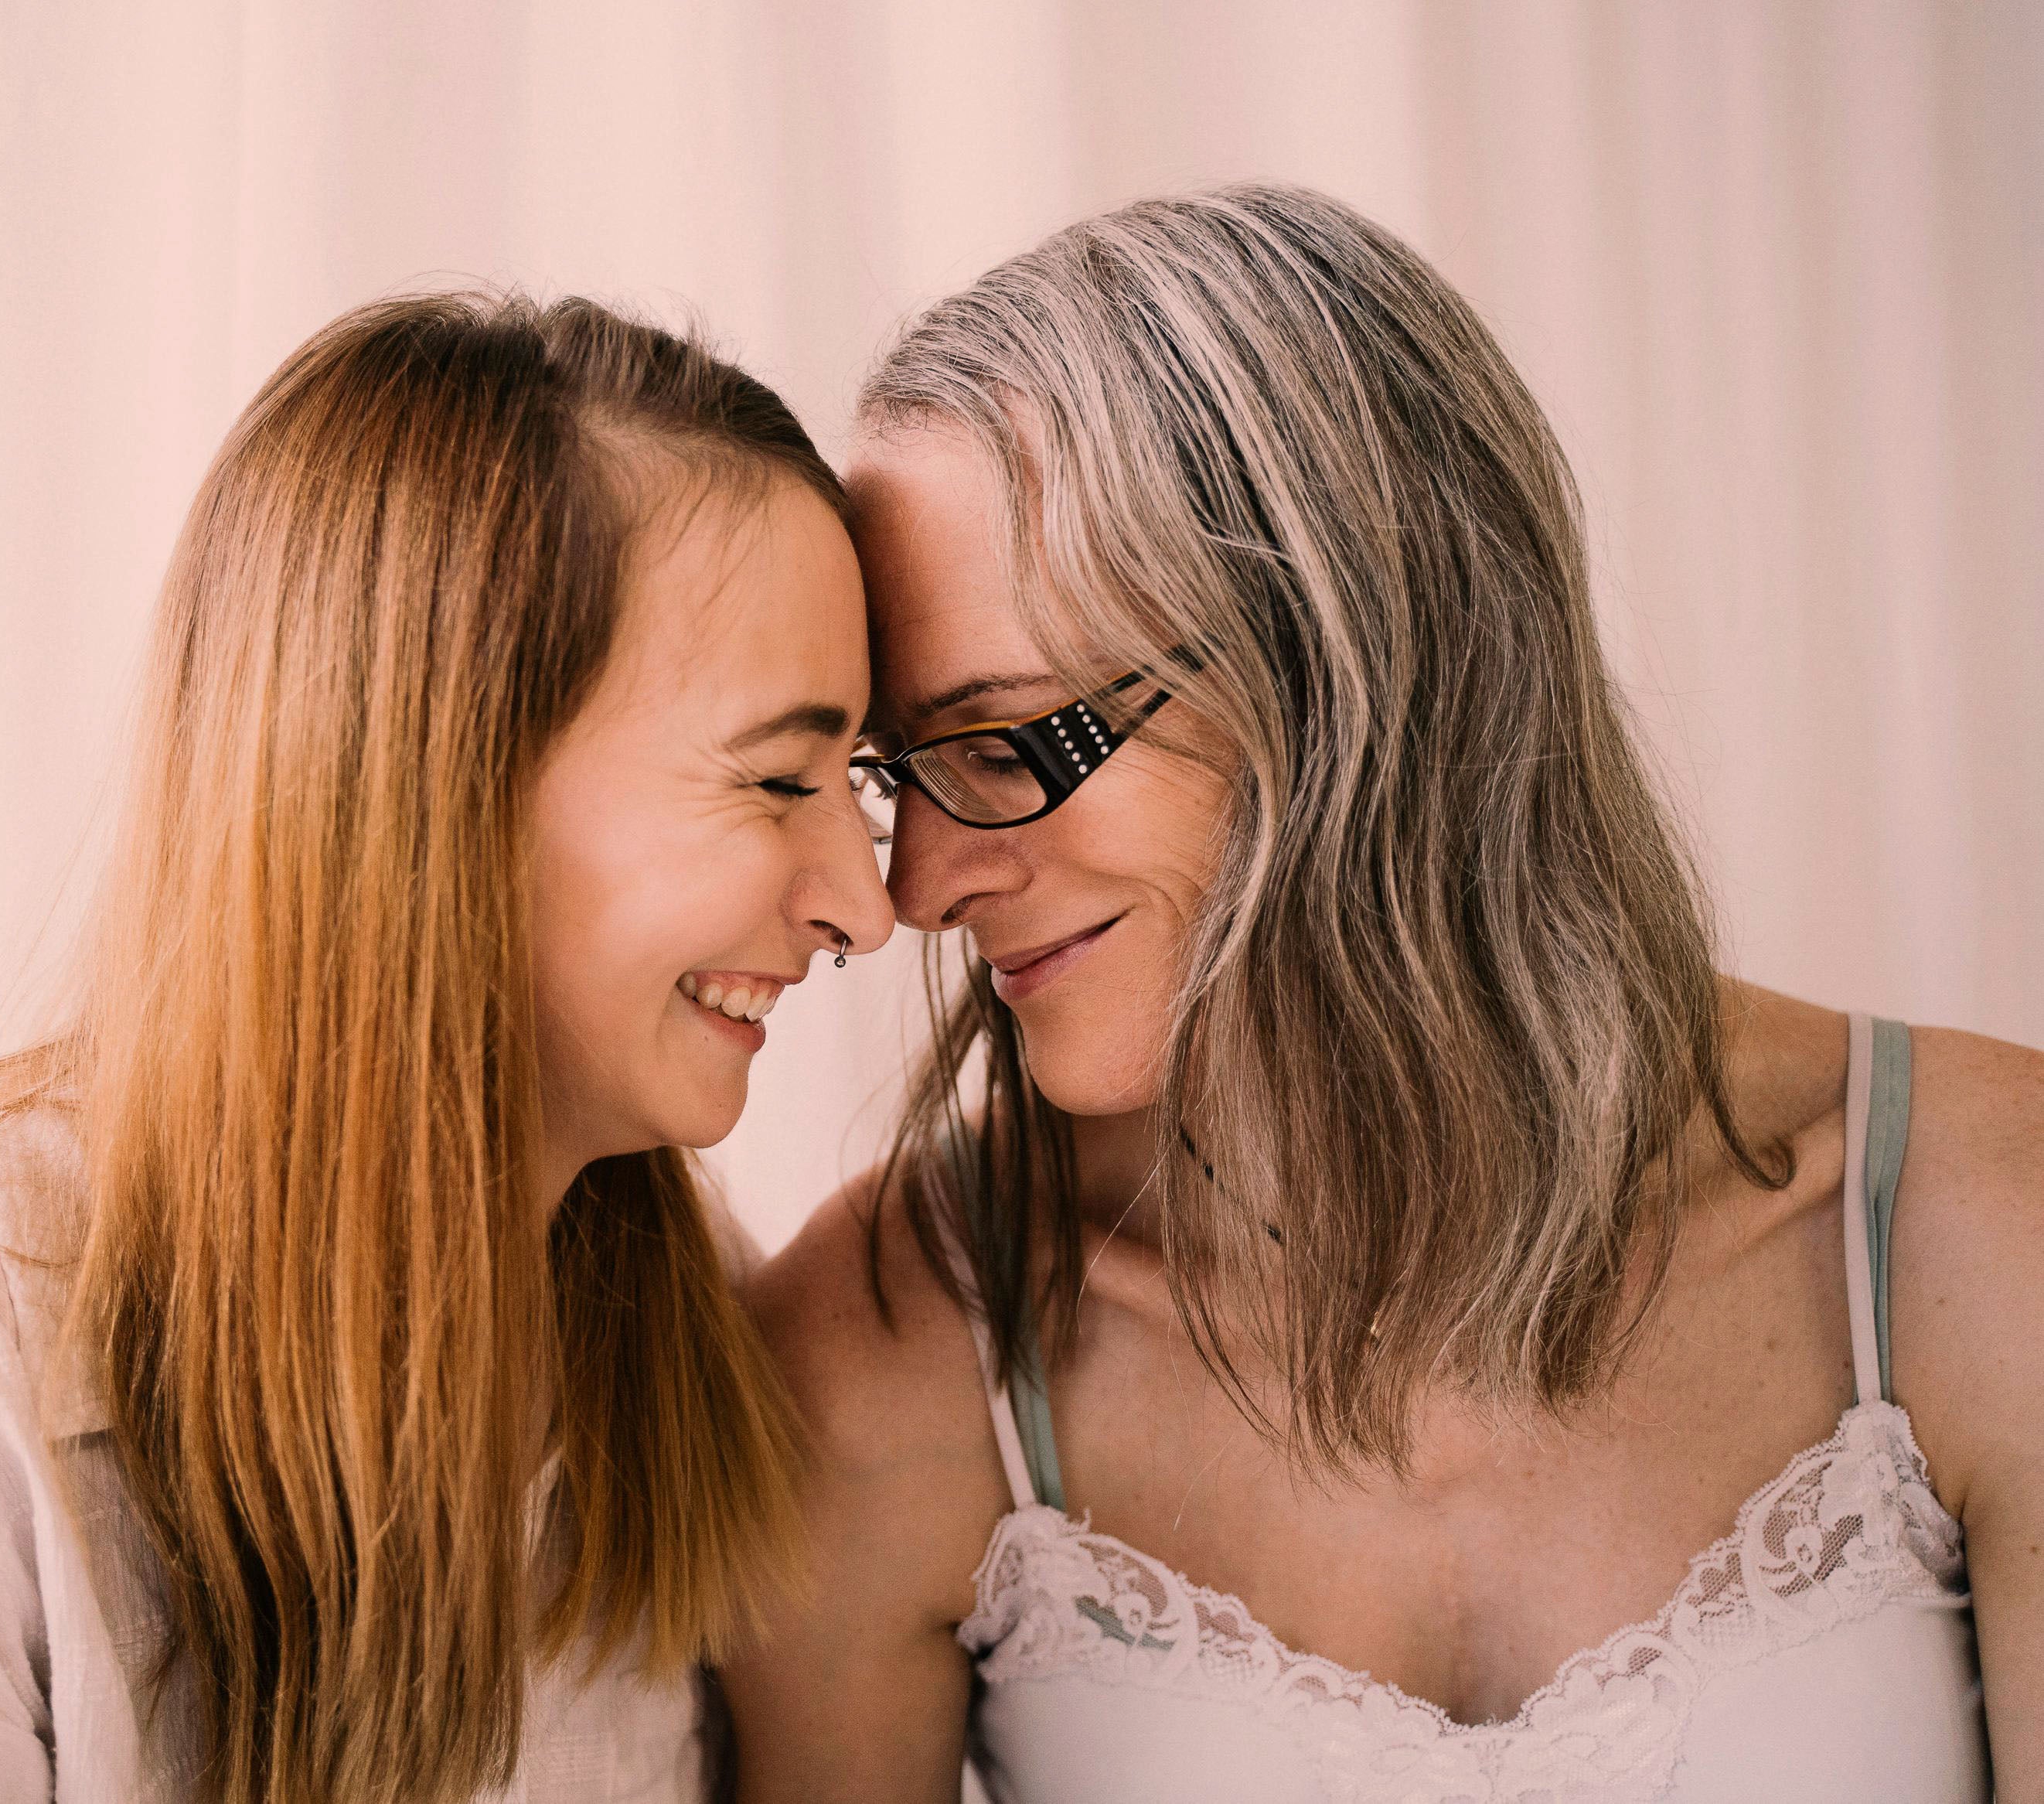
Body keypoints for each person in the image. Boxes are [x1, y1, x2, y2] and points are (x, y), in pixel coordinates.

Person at [722, 183, 2044, 1802]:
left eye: (1003, 744)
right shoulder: (884, 1355)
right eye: (894, 775)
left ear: (1350, 671)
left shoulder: (1972, 1221)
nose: (914, 889)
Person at [0, 290, 893, 1804]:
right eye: (782, 779)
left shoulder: (687, 1330)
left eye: (861, 782)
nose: (865, 904)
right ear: (432, 776)